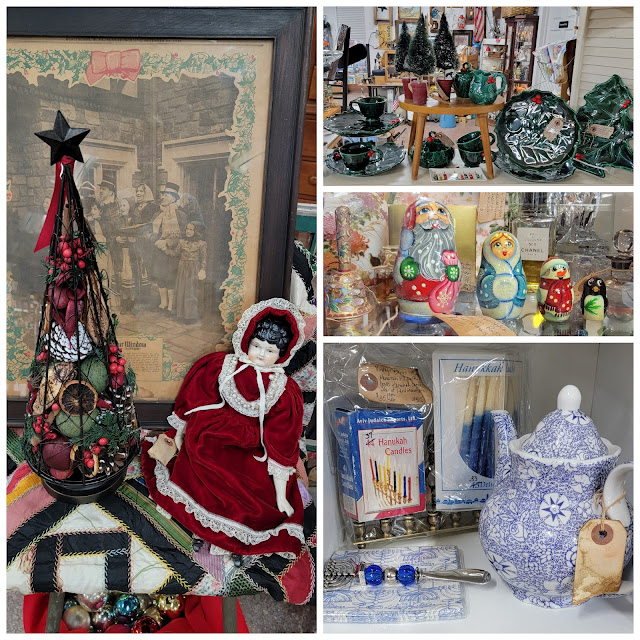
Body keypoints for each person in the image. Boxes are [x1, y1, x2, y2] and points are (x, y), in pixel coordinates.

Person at [140, 298, 306, 557]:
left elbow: (281, 438)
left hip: (253, 445)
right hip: (212, 432)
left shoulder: (282, 390)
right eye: (257, 345)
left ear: (282, 354)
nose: (261, 354)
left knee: (250, 487)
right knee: (201, 456)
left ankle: (225, 531)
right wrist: (180, 432)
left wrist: (281, 494)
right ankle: (190, 508)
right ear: (246, 340)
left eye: (270, 350)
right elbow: (198, 397)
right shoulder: (224, 366)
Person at [150, 182, 186, 313]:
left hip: (173, 251)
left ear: (174, 198)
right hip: (159, 251)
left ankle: (171, 306)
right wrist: (155, 240)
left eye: (166, 195)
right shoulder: (157, 215)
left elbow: (183, 233)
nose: (163, 197)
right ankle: (163, 303)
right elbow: (152, 232)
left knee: (171, 277)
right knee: (160, 276)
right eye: (163, 195)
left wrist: (168, 242)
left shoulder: (180, 215)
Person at [162, 222, 207, 323]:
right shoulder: (181, 242)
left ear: (196, 231)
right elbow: (175, 253)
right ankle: (181, 314)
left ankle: (191, 316)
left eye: (191, 229)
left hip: (194, 268)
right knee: (182, 289)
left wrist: (203, 269)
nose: (188, 231)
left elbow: (204, 258)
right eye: (187, 229)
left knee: (191, 291)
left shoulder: (201, 243)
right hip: (182, 268)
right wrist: (165, 248)